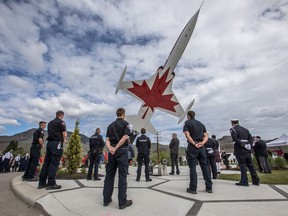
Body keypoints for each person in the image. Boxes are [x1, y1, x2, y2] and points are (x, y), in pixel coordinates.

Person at [103, 108, 133, 209]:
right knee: (122, 176)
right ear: (123, 114)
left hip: (112, 152)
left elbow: (107, 139)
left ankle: (106, 200)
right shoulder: (126, 124)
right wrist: (115, 148)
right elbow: (125, 137)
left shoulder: (110, 125)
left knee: (109, 175)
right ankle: (122, 202)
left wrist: (110, 148)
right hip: (121, 151)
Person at [183, 111, 213, 194]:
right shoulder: (201, 124)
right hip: (201, 147)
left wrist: (194, 143)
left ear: (188, 116)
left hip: (193, 147)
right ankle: (209, 187)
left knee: (192, 167)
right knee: (205, 167)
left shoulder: (187, 123)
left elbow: (187, 135)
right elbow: (206, 135)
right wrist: (202, 143)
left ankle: (193, 188)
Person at [38, 110, 67, 190]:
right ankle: (51, 183)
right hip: (57, 143)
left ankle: (42, 183)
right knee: (54, 163)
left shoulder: (50, 123)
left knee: (46, 163)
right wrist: (64, 141)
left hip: (49, 144)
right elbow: (64, 133)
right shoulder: (61, 122)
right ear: (62, 115)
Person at [230, 119, 259, 186]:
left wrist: (243, 144)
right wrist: (249, 145)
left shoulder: (233, 129)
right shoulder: (245, 129)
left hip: (239, 149)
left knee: (242, 165)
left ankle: (244, 181)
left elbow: (235, 139)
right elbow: (250, 138)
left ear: (232, 123)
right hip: (247, 150)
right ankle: (256, 180)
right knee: (250, 165)